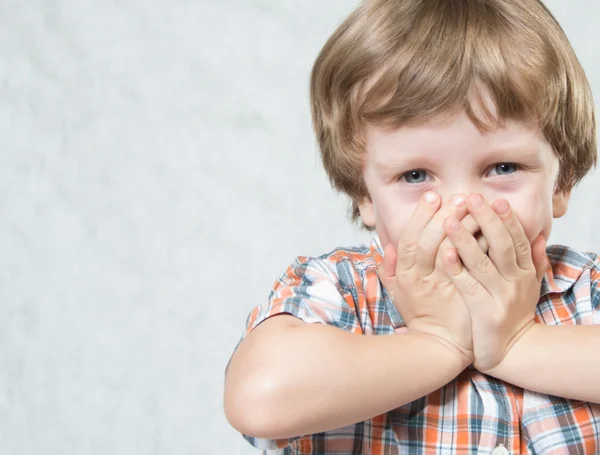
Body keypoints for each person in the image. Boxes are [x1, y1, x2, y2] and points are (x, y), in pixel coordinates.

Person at [224, 0, 600, 453]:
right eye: (415, 176)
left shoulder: (586, 291)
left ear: (563, 182)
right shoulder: (339, 290)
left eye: (502, 167)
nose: (460, 209)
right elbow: (259, 397)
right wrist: (438, 343)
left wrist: (517, 343)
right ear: (365, 195)